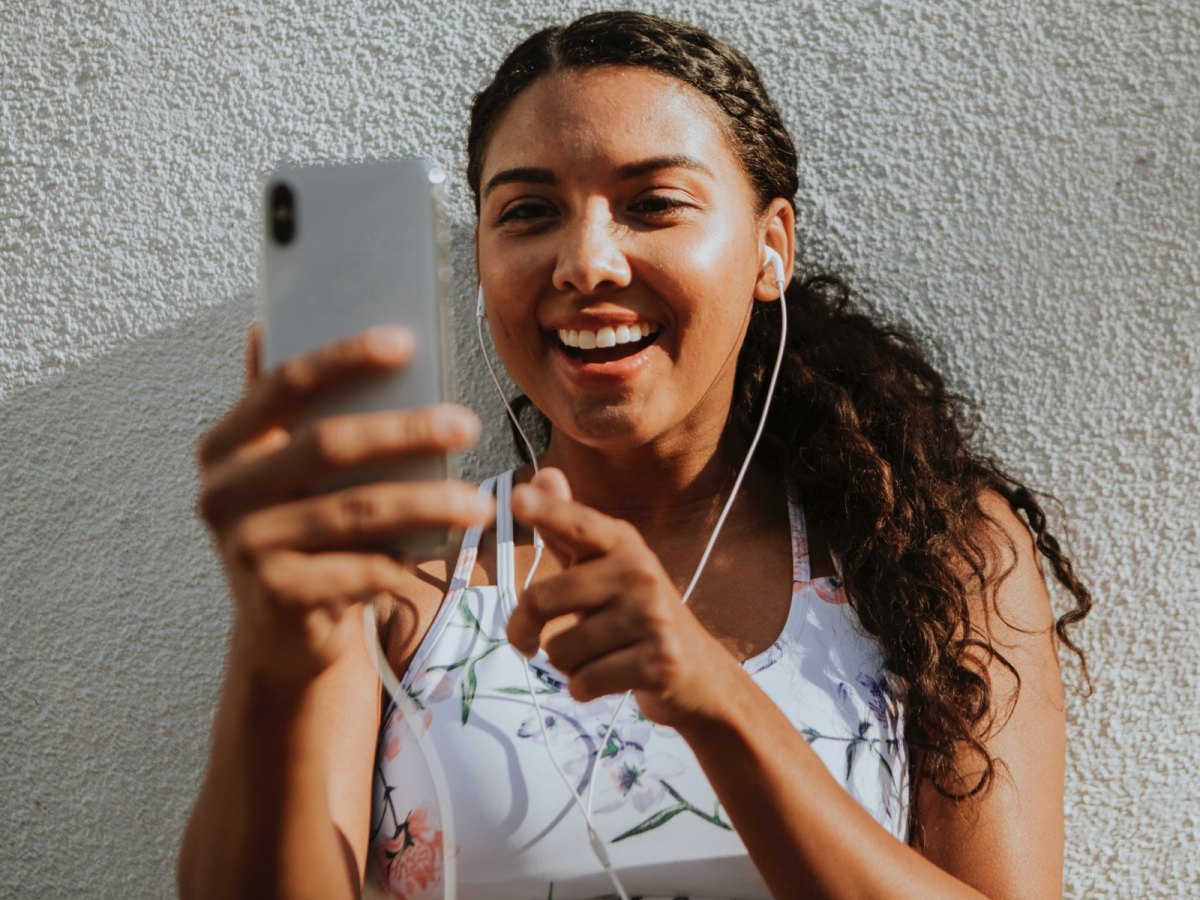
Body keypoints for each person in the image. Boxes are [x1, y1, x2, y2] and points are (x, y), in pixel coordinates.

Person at [179, 11, 1092, 899]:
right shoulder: (392, 580)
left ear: (771, 250)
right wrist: (272, 656)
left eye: (653, 203)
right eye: (529, 212)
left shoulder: (932, 550)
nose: (586, 262)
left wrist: (711, 697)